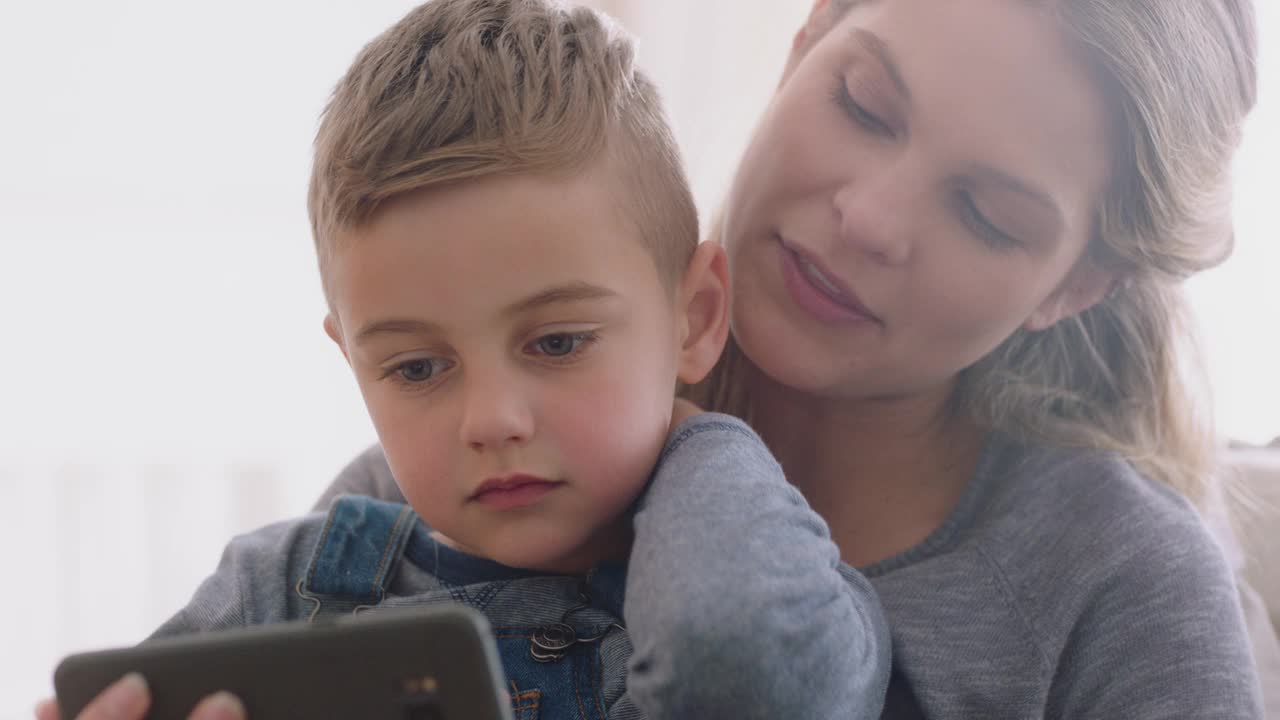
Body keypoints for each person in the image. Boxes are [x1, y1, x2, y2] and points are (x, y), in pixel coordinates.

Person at [320, 0, 1269, 716]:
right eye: (864, 105)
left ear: (1076, 285)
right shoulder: (438, 495)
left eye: (986, 214)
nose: (870, 218)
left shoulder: (1122, 588)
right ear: (807, 40)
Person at [35, 1, 891, 719]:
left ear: (697, 317)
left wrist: (698, 442)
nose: (490, 421)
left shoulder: (778, 586)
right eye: (415, 368)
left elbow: (744, 663)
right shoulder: (275, 594)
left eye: (556, 343)